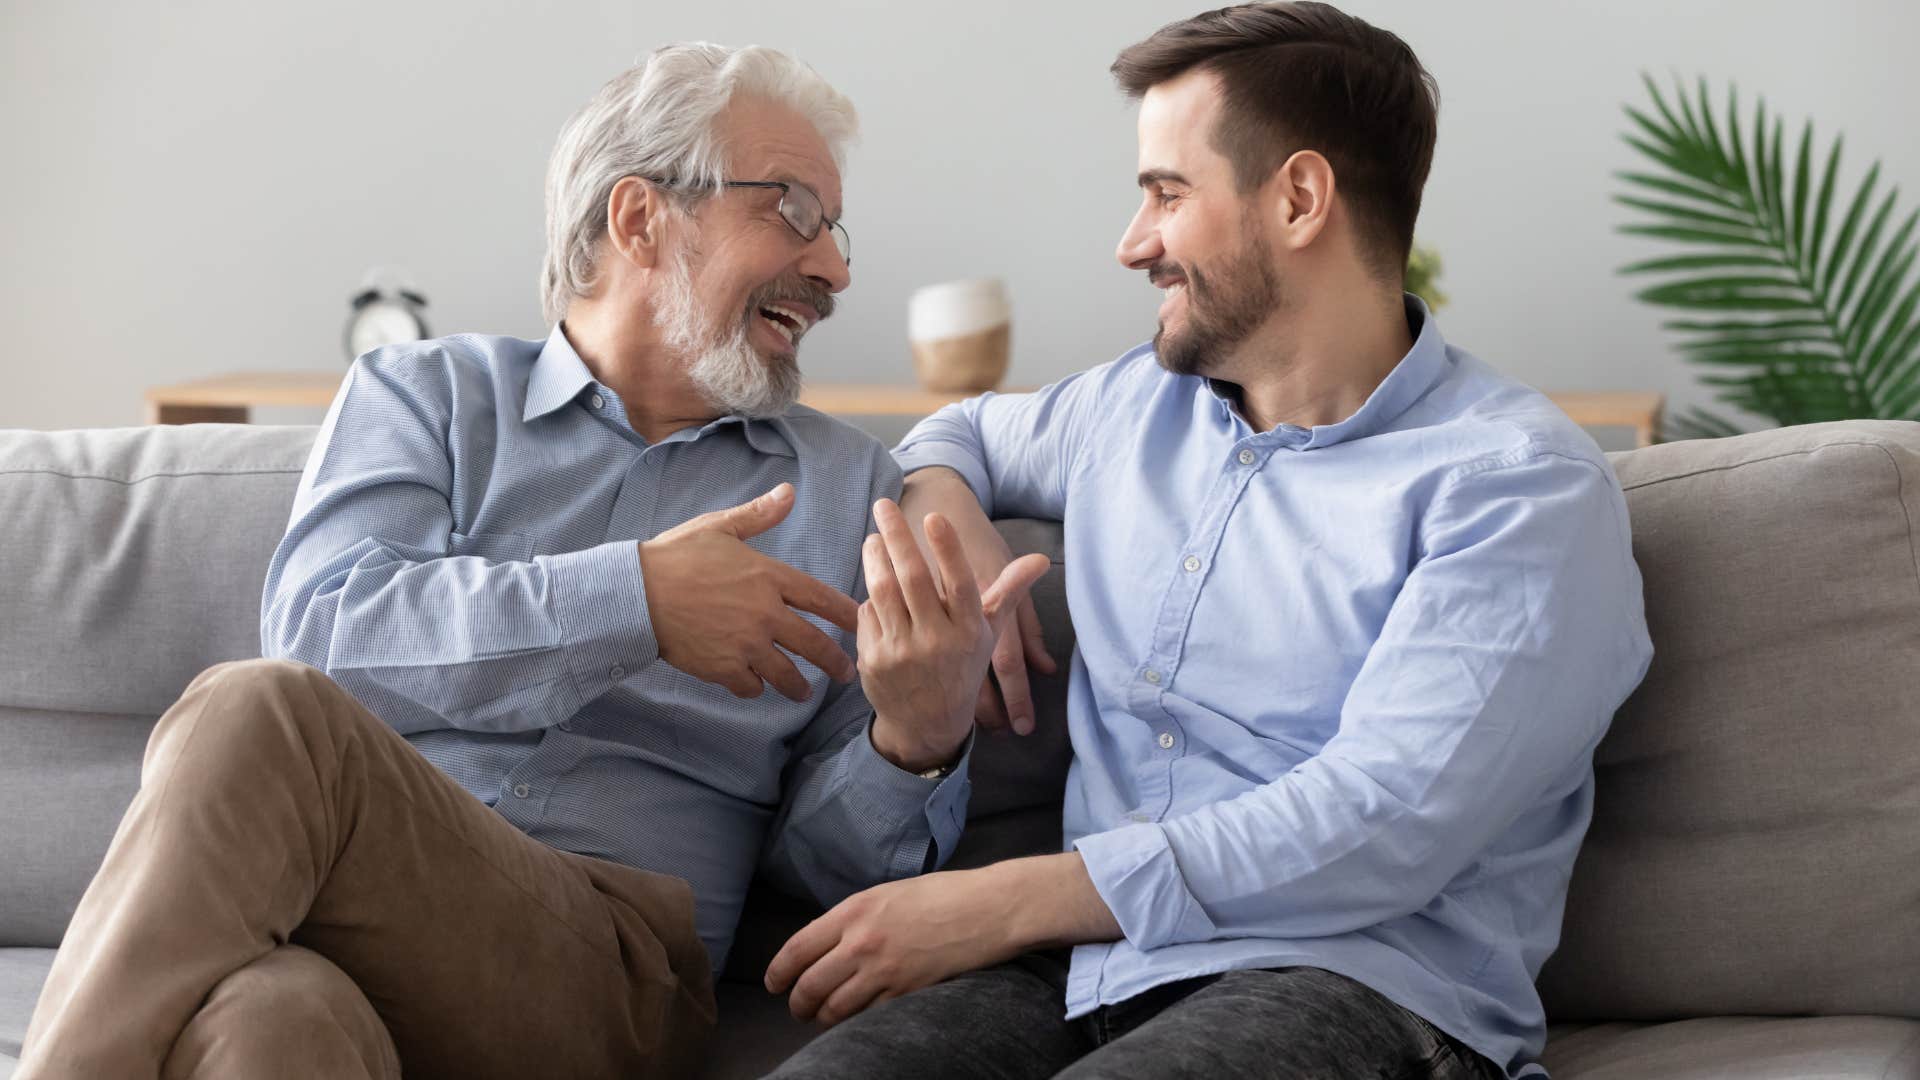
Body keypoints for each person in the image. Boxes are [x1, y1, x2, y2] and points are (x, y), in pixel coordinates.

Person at [17, 42, 1042, 1080]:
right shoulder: (426, 397)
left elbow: (828, 880)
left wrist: (914, 738)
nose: (835, 269)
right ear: (641, 219)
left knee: (254, 713)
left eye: (836, 228)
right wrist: (634, 600)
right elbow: (325, 632)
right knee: (270, 1019)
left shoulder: (846, 489)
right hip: (346, 922)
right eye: (793, 210)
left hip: (612, 970)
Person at [762, 4, 1653, 1077]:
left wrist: (1001, 902)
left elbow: (1384, 819)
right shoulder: (1131, 409)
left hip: (1357, 987)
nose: (1132, 242)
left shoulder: (1516, 487)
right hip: (1086, 970)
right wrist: (956, 520)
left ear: (1299, 199)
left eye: (1167, 195)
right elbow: (956, 431)